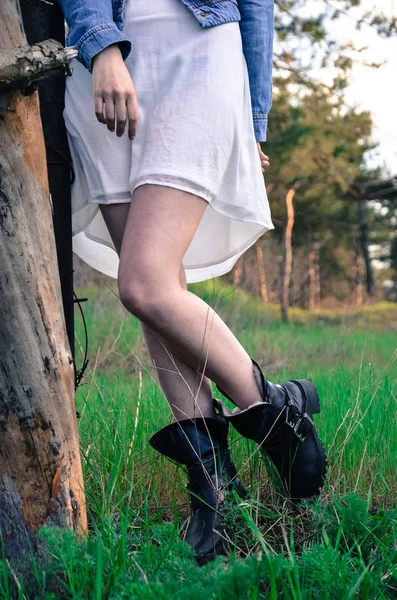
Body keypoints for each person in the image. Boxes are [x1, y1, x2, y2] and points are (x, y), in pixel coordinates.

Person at [58, 0, 327, 566]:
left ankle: (271, 410)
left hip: (196, 50)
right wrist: (101, 46)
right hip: (98, 69)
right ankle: (214, 489)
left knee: (144, 283)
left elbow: (257, 5)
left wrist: (253, 118)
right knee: (158, 288)